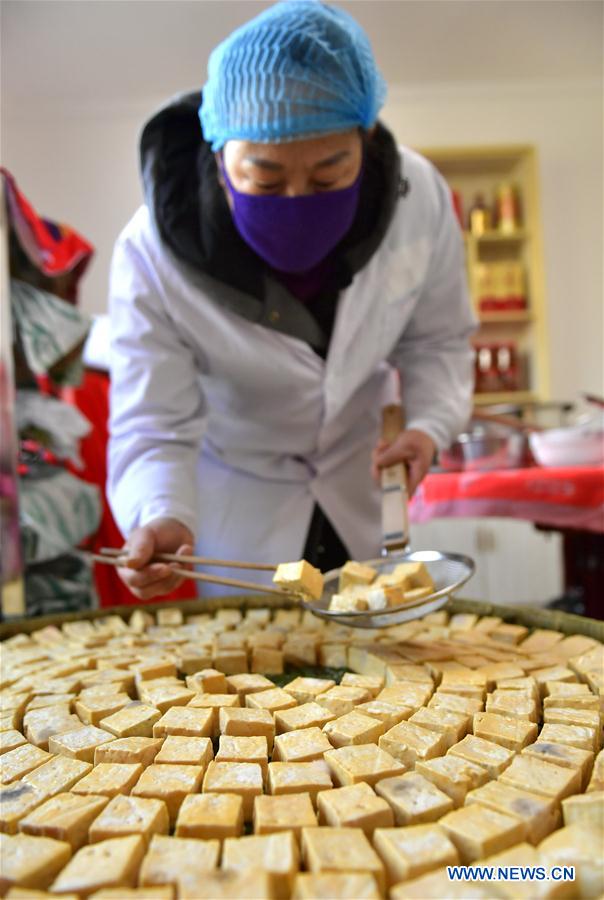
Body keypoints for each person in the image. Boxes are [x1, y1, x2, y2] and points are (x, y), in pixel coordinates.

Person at [108, 0, 476, 601]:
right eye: (266, 179)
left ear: (366, 141)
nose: (298, 199)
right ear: (218, 157)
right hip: (241, 517)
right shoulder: (151, 252)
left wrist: (429, 426)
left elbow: (438, 340)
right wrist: (159, 511)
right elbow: (154, 422)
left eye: (330, 177)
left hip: (363, 494)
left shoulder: (420, 200)